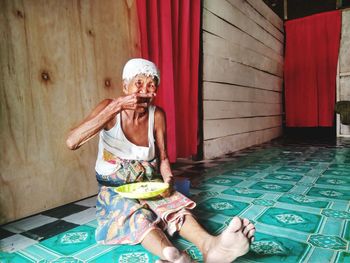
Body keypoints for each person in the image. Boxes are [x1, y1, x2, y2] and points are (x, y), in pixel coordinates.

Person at [66, 58, 255, 262]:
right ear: (124, 86)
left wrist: (167, 179)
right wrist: (116, 106)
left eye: (151, 86)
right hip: (114, 190)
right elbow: (72, 141)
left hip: (149, 185)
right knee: (135, 214)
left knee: (174, 205)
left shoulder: (157, 115)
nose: (145, 92)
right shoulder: (109, 109)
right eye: (139, 84)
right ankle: (173, 256)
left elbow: (163, 157)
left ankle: (211, 246)